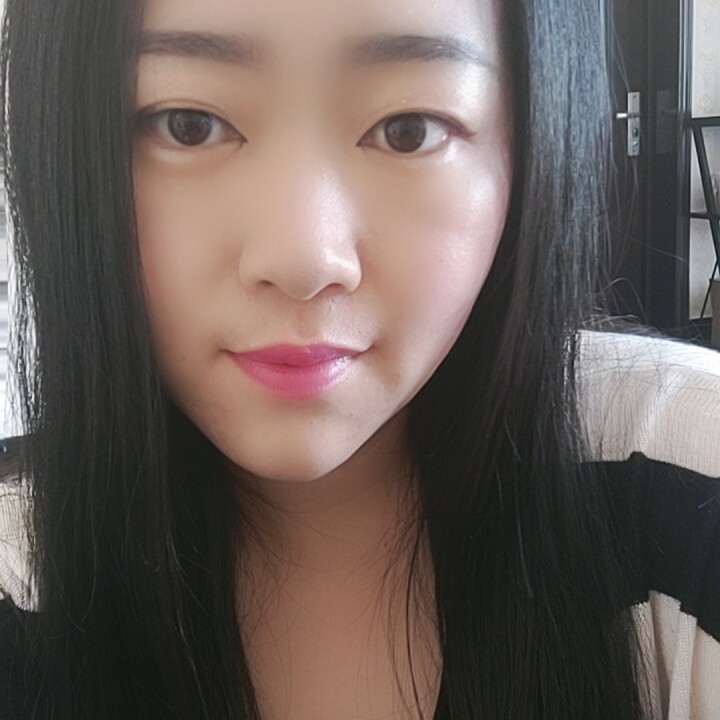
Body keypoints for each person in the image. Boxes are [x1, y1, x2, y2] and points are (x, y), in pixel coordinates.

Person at [0, 0, 717, 718]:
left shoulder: (691, 496)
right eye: (188, 124)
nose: (304, 260)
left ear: (536, 141)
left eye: (409, 130)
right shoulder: (20, 581)